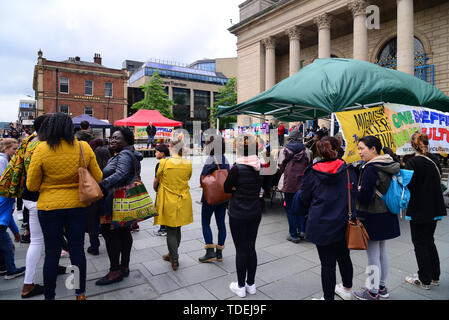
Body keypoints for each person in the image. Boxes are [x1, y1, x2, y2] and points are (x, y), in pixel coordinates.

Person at [27, 112, 103, 300]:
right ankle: (79, 292)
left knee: (52, 252)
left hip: (49, 207)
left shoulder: (41, 149)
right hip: (78, 205)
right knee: (77, 250)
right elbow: (99, 177)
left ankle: (50, 296)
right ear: (70, 128)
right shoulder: (82, 147)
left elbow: (32, 185)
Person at [300, 136, 355, 300]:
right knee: (344, 257)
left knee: (327, 264)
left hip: (321, 223)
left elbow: (304, 199)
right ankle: (347, 290)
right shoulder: (348, 170)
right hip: (344, 221)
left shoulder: (312, 171)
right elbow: (354, 195)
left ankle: (328, 297)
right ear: (337, 149)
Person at [352, 136, 400, 300]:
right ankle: (382, 287)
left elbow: (364, 197)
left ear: (373, 149)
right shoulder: (389, 163)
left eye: (361, 148)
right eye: (358, 148)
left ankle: (371, 292)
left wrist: (356, 191)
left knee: (372, 254)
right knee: (381, 252)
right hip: (386, 213)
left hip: (372, 215)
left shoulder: (371, 167)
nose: (359, 152)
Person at [96, 127, 143, 285]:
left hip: (115, 200)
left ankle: (115, 270)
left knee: (111, 234)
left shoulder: (123, 154)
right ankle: (124, 267)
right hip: (123, 200)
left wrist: (101, 185)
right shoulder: (130, 153)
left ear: (127, 140)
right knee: (123, 232)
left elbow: (121, 173)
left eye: (117, 138)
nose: (113, 140)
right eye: (112, 138)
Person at [404, 132, 446, 289]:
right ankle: (434, 276)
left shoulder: (413, 162)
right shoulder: (434, 159)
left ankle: (424, 279)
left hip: (419, 210)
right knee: (429, 241)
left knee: (420, 244)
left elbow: (407, 186)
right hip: (435, 208)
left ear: (412, 145)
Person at [224, 134, 262, 298]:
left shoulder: (236, 168)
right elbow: (263, 186)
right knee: (251, 247)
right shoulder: (261, 166)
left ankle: (240, 286)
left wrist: (235, 189)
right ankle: (251, 284)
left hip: (238, 212)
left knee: (241, 249)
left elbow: (226, 188)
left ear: (239, 149)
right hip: (255, 211)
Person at [154, 137, 193, 271]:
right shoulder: (187, 163)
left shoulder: (164, 162)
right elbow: (188, 178)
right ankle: (172, 254)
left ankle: (174, 259)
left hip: (168, 199)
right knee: (178, 228)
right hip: (183, 198)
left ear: (171, 147)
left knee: (171, 229)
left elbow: (157, 179)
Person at [199, 135, 230, 263]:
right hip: (223, 197)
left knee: (205, 223)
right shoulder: (225, 159)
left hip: (210, 197)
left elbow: (202, 178)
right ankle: (219, 253)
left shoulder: (211, 159)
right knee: (221, 224)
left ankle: (209, 252)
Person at [278, 130, 310, 243]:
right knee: (301, 207)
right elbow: (308, 165)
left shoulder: (284, 150)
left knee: (290, 209)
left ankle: (293, 235)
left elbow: (280, 165)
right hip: (302, 182)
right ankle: (302, 230)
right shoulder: (306, 150)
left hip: (289, 182)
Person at [0, 138, 25, 280]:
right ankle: (10, 271)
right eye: (14, 149)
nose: (16, 152)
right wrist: (16, 232)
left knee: (4, 246)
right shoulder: (7, 195)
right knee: (8, 248)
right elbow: (6, 217)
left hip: (2, 222)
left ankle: (3, 268)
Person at [86, 138, 111, 256]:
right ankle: (111, 244)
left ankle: (94, 246)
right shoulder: (110, 168)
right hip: (107, 198)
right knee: (106, 223)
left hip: (94, 197)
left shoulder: (91, 168)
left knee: (93, 223)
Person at [153, 144, 170, 236]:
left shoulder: (160, 164)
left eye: (156, 152)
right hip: (169, 189)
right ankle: (166, 228)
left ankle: (163, 229)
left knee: (161, 208)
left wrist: (155, 188)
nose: (155, 153)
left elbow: (156, 179)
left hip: (161, 189)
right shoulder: (170, 162)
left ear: (162, 153)